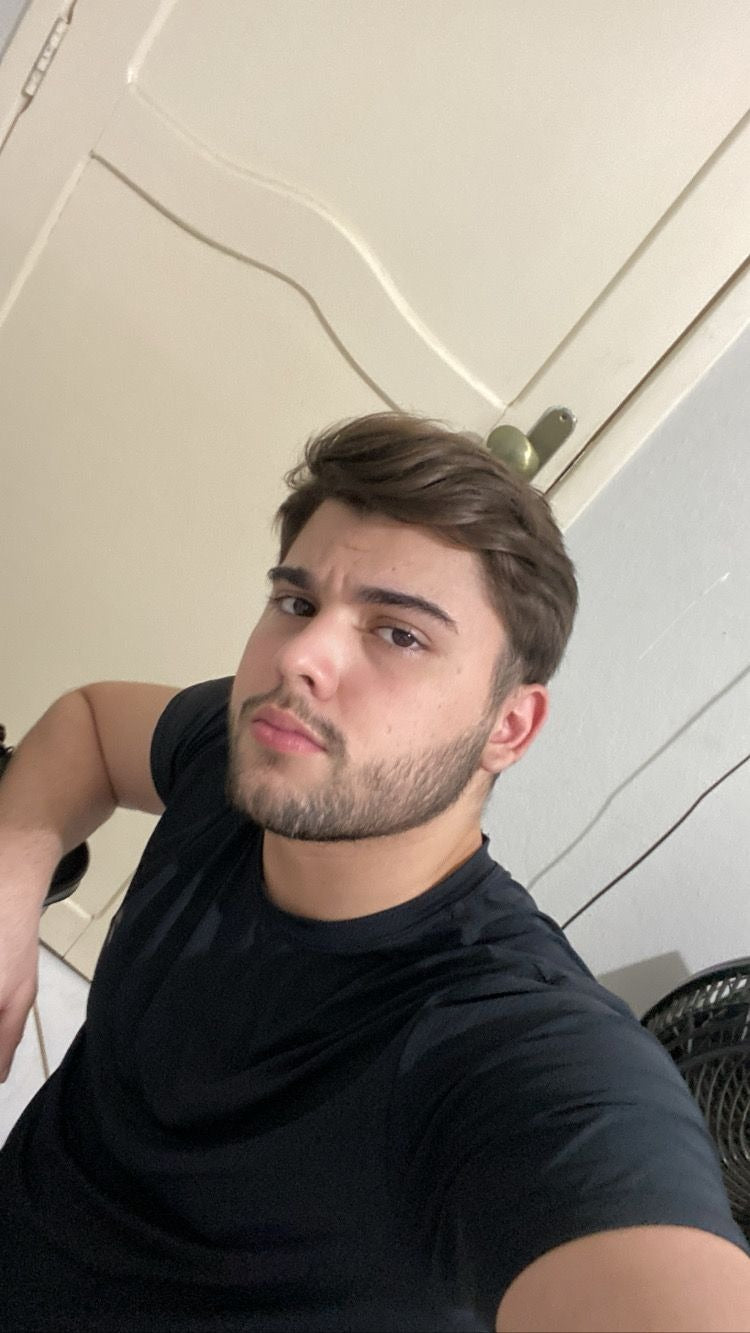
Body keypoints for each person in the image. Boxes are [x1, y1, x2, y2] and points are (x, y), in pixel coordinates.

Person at [0, 411, 749, 1332]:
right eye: (296, 602)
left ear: (509, 725)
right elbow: (86, 723)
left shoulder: (513, 1047)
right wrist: (11, 886)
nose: (301, 658)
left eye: (398, 633)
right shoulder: (248, 754)